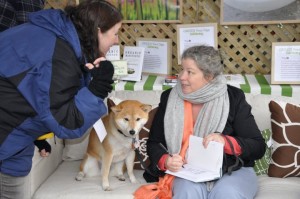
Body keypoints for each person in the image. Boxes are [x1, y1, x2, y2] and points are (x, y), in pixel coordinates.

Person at [0, 0, 122, 198]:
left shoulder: (60, 41)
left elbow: (40, 95)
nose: (117, 40)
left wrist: (38, 136)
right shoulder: (56, 52)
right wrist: (97, 89)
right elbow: (67, 122)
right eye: (115, 33)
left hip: (15, 135)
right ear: (99, 31)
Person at [135, 45, 266, 199]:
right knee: (186, 193)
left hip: (233, 170)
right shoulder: (169, 97)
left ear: (209, 76)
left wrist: (225, 142)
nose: (182, 76)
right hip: (187, 171)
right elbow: (155, 142)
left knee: (227, 194)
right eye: (182, 69)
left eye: (190, 72)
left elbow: (258, 146)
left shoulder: (234, 98)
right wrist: (166, 160)